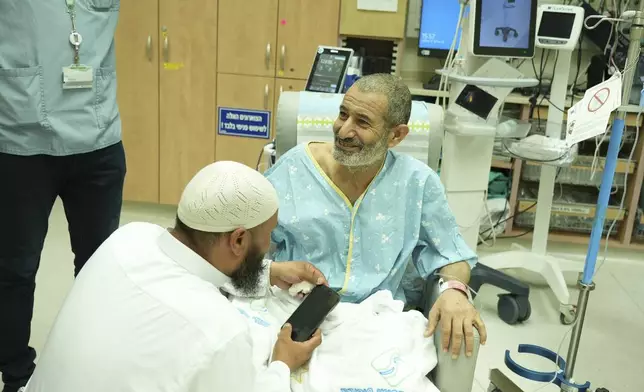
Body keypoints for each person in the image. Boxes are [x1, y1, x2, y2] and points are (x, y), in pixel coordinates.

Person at [24, 161, 326, 392]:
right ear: (237, 241)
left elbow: (186, 268)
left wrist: (267, 272)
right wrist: (281, 364)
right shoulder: (222, 331)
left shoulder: (129, 237)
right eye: (267, 237)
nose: (269, 246)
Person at [265, 73, 487, 359]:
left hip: (377, 324)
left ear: (396, 135)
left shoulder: (416, 182)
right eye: (343, 114)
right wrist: (272, 271)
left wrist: (455, 291)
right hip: (294, 312)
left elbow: (450, 252)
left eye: (362, 122)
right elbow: (247, 244)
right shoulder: (295, 168)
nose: (343, 131)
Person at [0, 3, 126, 391]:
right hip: (22, 141)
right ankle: (16, 374)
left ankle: (93, 369)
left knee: (98, 270)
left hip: (99, 139)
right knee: (15, 271)